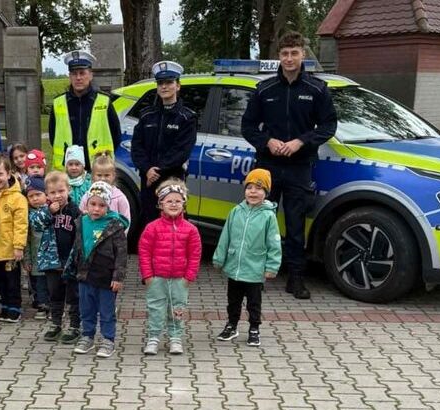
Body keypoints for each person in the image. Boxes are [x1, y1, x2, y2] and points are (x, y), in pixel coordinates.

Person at [240, 31, 337, 300]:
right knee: (259, 221)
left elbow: (329, 125)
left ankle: (296, 279)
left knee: (295, 226)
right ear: (279, 57)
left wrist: (301, 142)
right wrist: (267, 141)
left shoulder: (317, 89)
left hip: (299, 165)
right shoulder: (265, 89)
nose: (289, 58)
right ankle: (253, 275)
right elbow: (247, 126)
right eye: (285, 54)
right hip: (267, 165)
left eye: (294, 53)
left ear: (303, 54)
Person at [212, 169, 282, 347]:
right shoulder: (236, 211)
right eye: (249, 187)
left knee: (254, 303)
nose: (253, 192)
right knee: (233, 301)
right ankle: (232, 325)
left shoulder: (269, 216)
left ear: (266, 193)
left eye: (258, 188)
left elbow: (274, 243)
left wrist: (272, 266)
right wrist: (219, 258)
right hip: (234, 267)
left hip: (255, 269)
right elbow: (225, 237)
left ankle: (254, 328)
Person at [137, 178, 202, 356]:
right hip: (157, 277)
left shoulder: (191, 230)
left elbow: (195, 254)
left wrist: (189, 276)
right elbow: (144, 252)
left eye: (178, 201)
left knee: (177, 307)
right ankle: (153, 338)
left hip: (180, 278)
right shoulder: (152, 228)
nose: (173, 204)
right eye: (169, 201)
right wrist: (147, 274)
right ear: (161, 204)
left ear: (184, 204)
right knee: (156, 308)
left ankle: (175, 337)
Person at [130, 61, 197, 229]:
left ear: (178, 85)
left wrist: (157, 170)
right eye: (160, 83)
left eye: (169, 82)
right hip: (149, 181)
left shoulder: (186, 117)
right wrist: (147, 169)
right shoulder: (146, 115)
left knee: (174, 225)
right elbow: (137, 146)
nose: (164, 87)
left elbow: (182, 150)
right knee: (150, 224)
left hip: (172, 179)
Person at [65, 181, 128, 358]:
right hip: (85, 276)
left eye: (101, 205)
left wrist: (118, 277)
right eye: (93, 204)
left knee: (107, 311)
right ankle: (87, 336)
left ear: (108, 206)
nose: (96, 209)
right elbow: (77, 248)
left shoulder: (115, 226)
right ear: (86, 204)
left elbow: (121, 254)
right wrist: (72, 269)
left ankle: (108, 340)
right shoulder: (82, 222)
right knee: (86, 309)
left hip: (106, 278)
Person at [49, 50, 122, 172]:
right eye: (74, 73)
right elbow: (53, 137)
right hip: (67, 171)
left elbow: (116, 135)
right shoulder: (58, 103)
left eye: (82, 73)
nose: (78, 78)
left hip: (97, 169)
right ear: (69, 76)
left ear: (91, 75)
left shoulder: (104, 101)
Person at [0, 152, 29, 323]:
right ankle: (4, 304)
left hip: (11, 249)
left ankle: (15, 307)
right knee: (0, 281)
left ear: (9, 174)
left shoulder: (18, 198)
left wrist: (18, 246)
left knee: (12, 281)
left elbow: (21, 224)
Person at [42, 171, 82, 344]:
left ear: (69, 190)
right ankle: (55, 324)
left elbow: (80, 235)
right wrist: (49, 213)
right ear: (47, 195)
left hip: (70, 261)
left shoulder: (75, 210)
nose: (57, 196)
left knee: (74, 295)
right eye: (52, 193)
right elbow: (36, 223)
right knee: (55, 294)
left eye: (61, 191)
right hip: (52, 261)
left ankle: (74, 326)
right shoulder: (45, 210)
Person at [23, 177, 51, 318]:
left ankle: (54, 307)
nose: (34, 199)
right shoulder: (28, 215)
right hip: (36, 258)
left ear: (46, 194)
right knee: (39, 284)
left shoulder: (52, 211)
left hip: (52, 257)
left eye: (38, 194)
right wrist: (27, 259)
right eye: (31, 196)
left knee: (52, 284)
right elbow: (27, 240)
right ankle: (42, 306)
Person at [79, 153, 130, 222]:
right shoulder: (87, 196)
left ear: (113, 176)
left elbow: (126, 220)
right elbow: (80, 217)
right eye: (99, 175)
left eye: (107, 175)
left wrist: (120, 232)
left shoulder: (119, 197)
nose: (103, 178)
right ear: (93, 176)